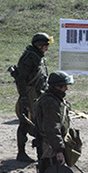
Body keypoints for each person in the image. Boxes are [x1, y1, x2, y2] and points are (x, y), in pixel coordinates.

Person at [33, 71, 79, 173]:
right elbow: (52, 129)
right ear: (57, 87)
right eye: (64, 86)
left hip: (54, 145)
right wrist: (59, 150)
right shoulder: (50, 103)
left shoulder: (55, 100)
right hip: (49, 147)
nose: (66, 89)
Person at [15, 33, 53, 162]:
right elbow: (21, 79)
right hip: (30, 95)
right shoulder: (29, 58)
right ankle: (21, 153)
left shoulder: (37, 57)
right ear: (39, 46)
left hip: (38, 94)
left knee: (39, 122)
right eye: (45, 46)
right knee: (26, 122)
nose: (47, 49)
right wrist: (24, 98)